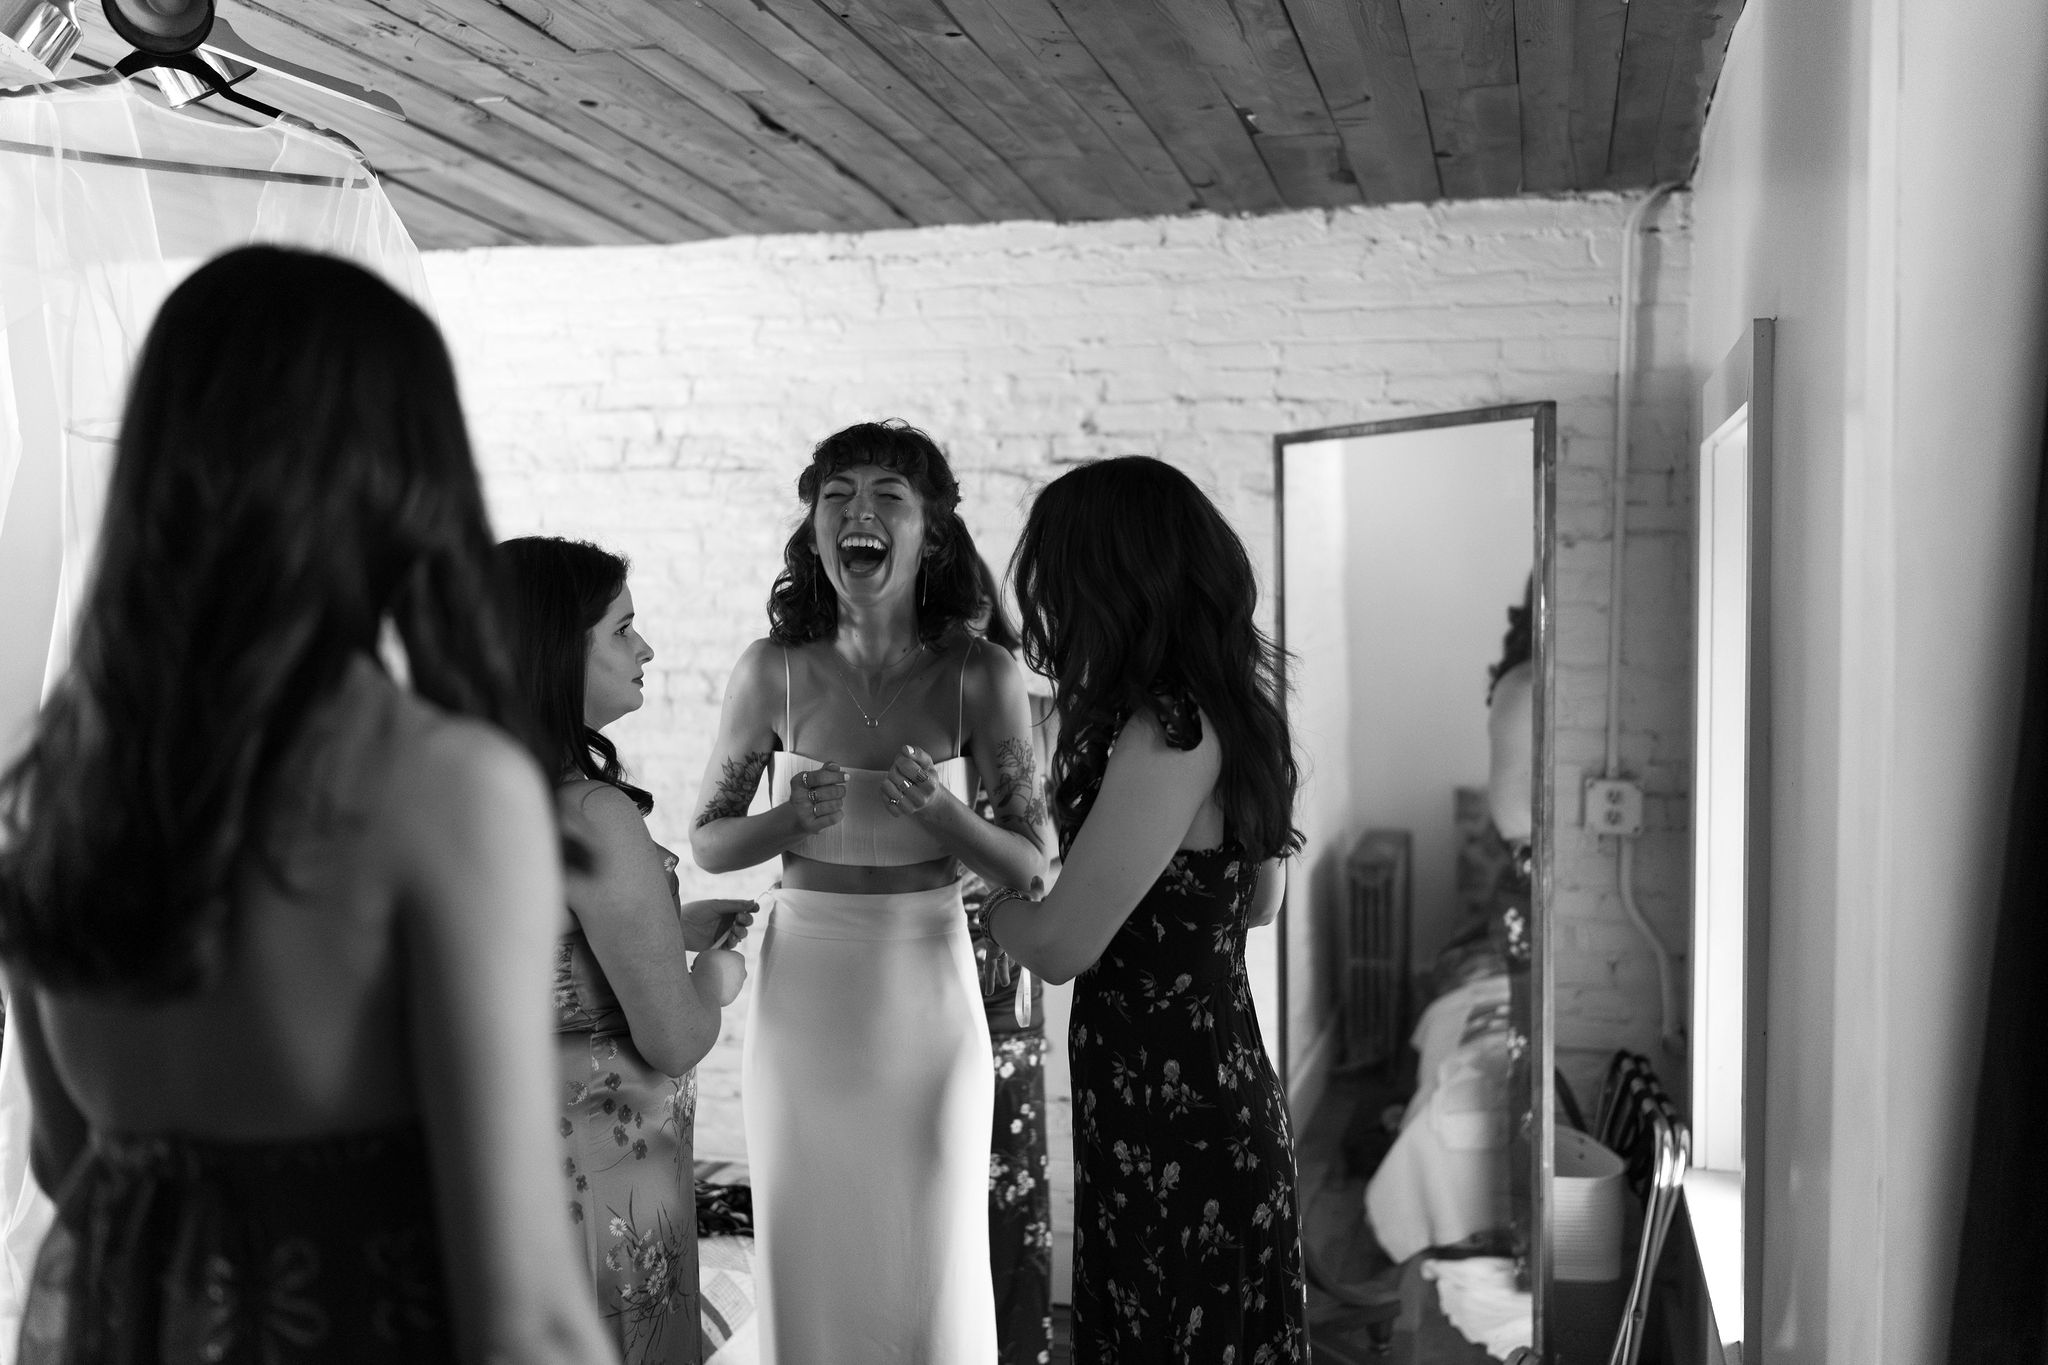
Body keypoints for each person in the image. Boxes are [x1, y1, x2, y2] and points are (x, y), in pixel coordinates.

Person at [0, 246, 616, 1363]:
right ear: (404, 470)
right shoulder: (443, 783)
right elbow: (521, 1317)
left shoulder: (61, 778)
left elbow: (65, 1159)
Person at [690, 420, 1049, 1364]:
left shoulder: (984, 675)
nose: (859, 511)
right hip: (805, 986)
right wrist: (782, 824)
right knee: (813, 1241)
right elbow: (710, 839)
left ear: (929, 530)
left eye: (888, 494)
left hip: (927, 987)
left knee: (928, 1247)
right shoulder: (770, 670)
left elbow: (1034, 864)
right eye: (837, 494)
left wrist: (947, 815)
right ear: (813, 529)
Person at [989, 455, 1310, 1363]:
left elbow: (1057, 947)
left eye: (1063, 579)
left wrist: (989, 905)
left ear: (1115, 582)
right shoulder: (1229, 709)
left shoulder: (1167, 730)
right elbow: (1255, 904)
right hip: (1203, 1095)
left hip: (1176, 1129)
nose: (1053, 606)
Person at [497, 536, 753, 1365]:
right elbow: (672, 1037)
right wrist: (713, 978)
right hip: (603, 1170)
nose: (645, 649)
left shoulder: (456, 795)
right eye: (622, 629)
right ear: (553, 651)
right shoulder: (590, 813)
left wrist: (666, 923)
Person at [957, 554, 1055, 1365]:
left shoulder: (1037, 710)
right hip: (903, 961)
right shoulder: (874, 704)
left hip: (1003, 969)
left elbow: (1052, 861)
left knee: (1007, 1182)